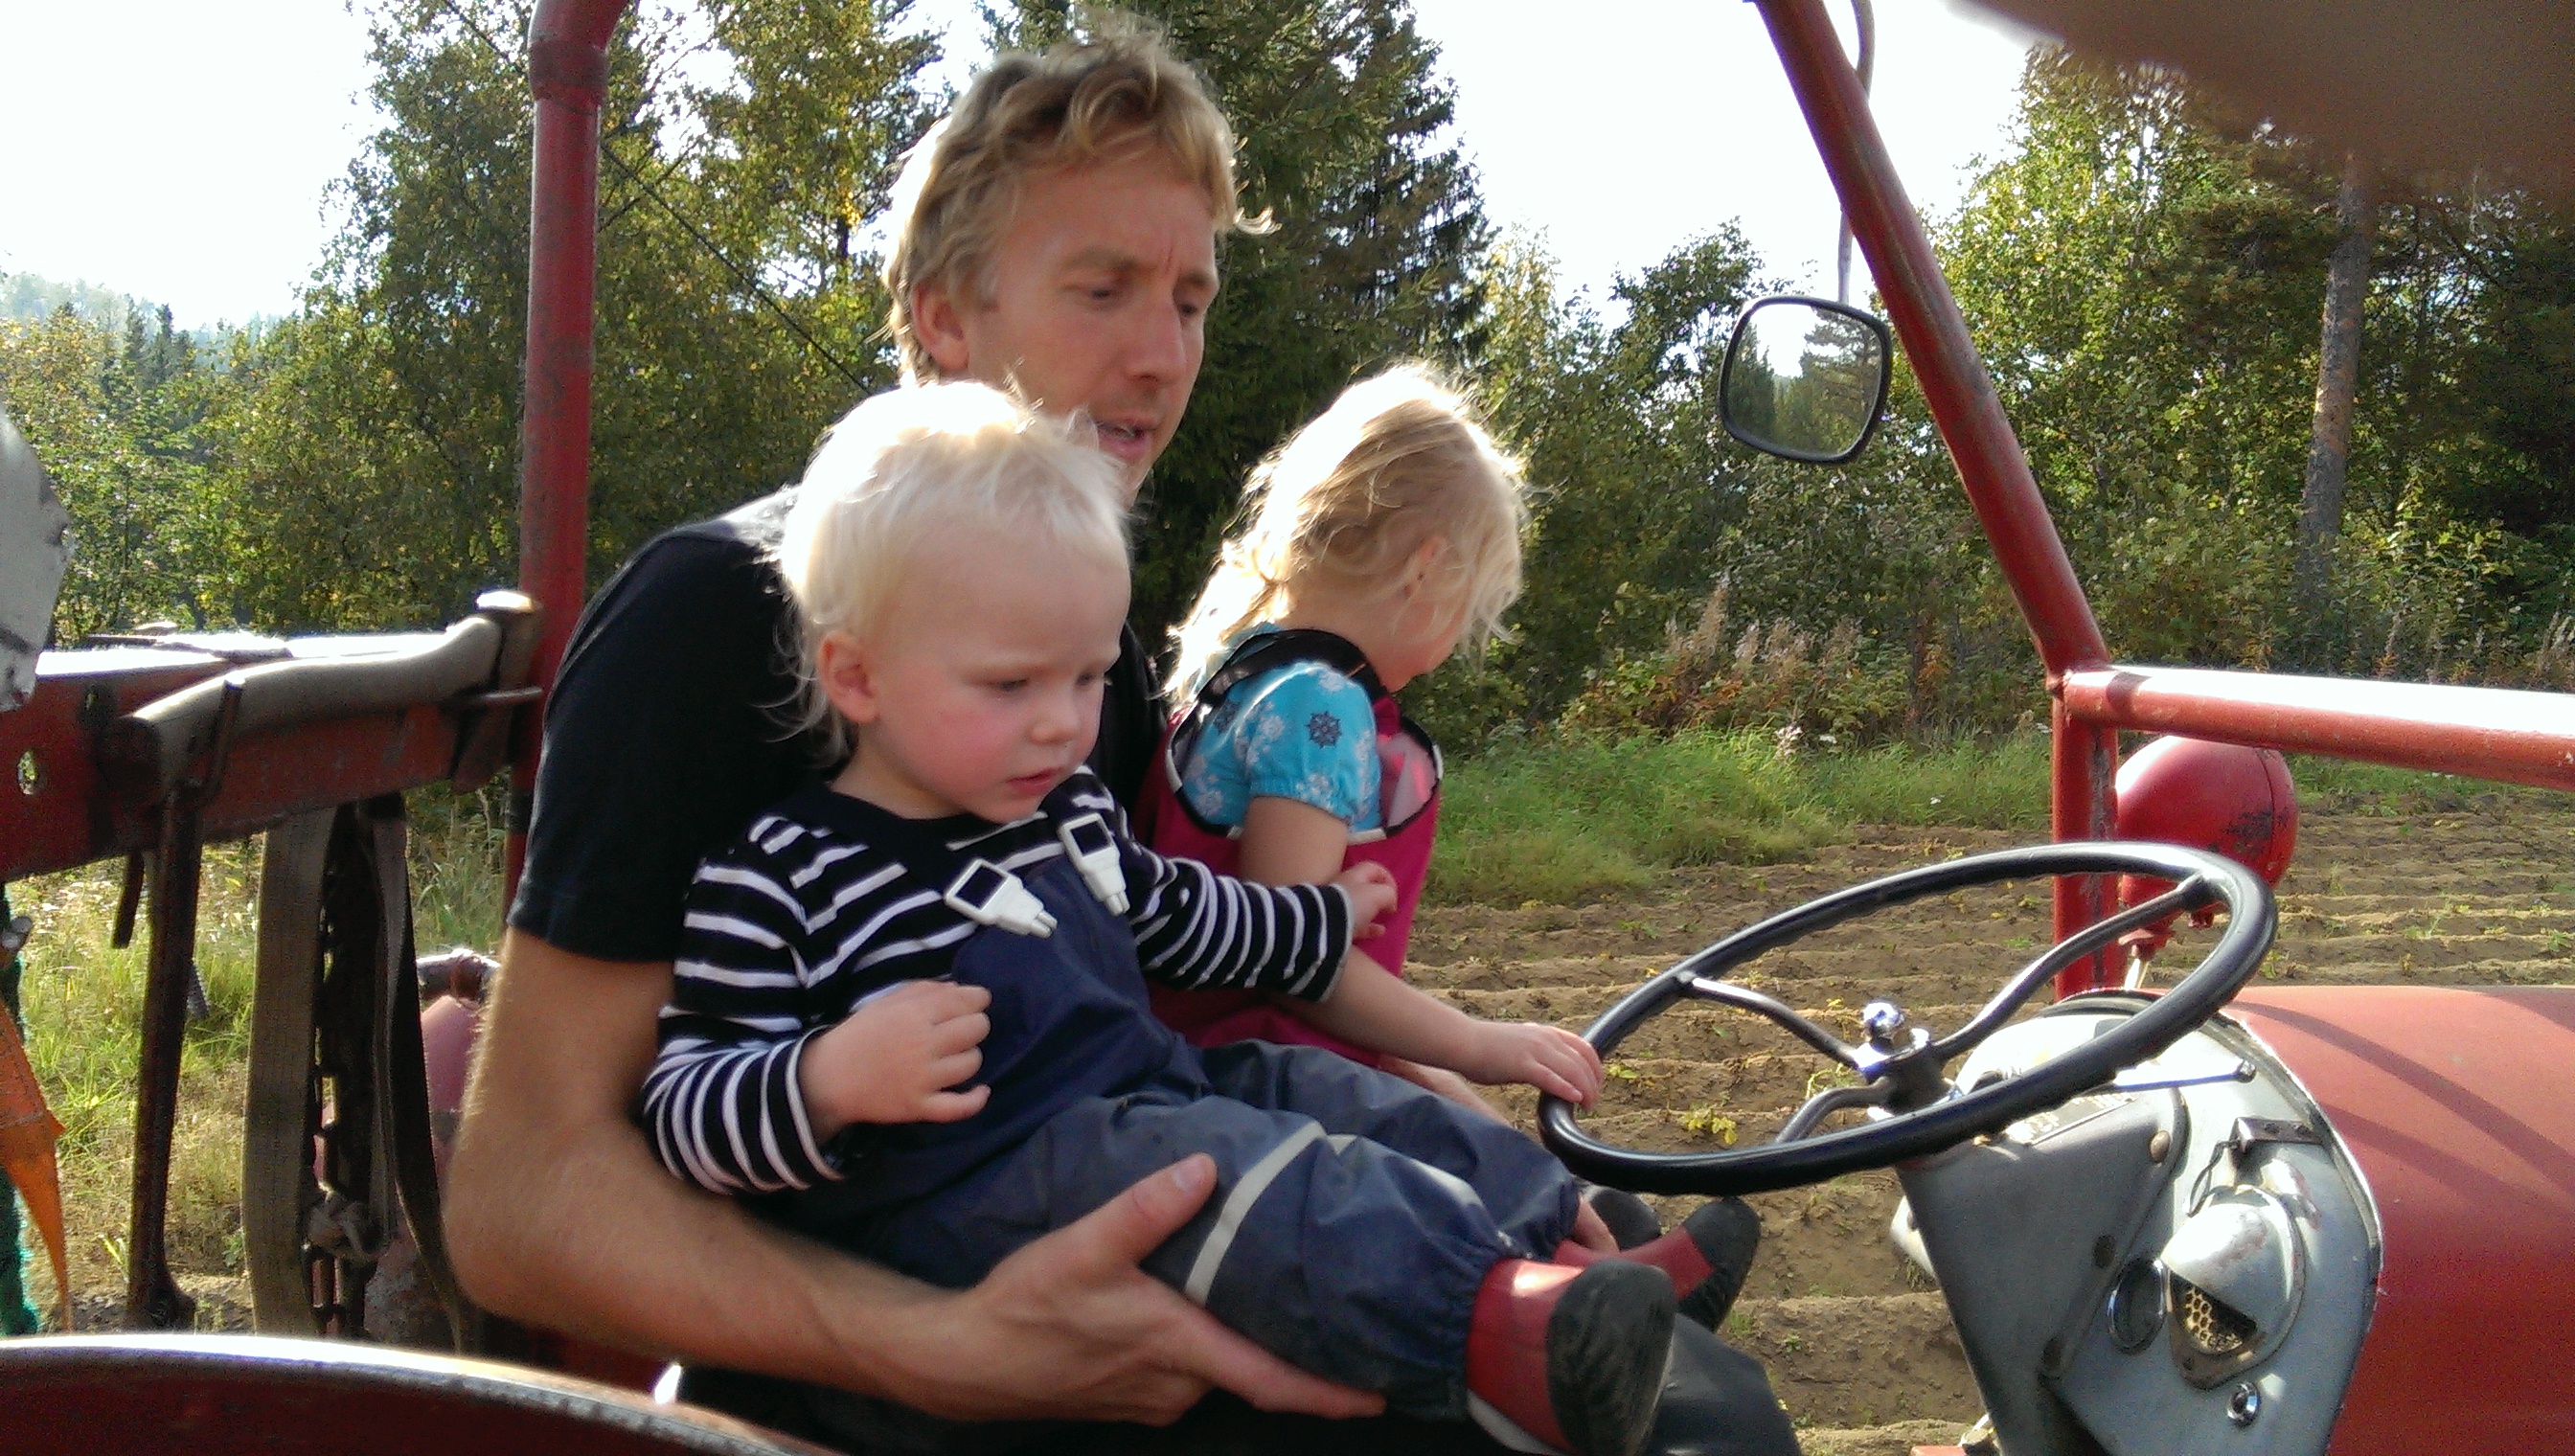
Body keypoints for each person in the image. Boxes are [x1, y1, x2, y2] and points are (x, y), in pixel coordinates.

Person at [446, 24, 1799, 1456]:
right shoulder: (723, 616)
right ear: (943, 318)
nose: (1162, 357)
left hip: (1139, 1211)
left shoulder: (1095, 666)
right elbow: (519, 1200)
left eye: (1191, 300)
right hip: (887, 1364)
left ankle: (1549, 1274)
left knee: (1692, 1410)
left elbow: (1149, 962)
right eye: (1101, 290)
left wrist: (1413, 1095)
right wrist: (944, 1349)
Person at [642, 382, 1741, 1456]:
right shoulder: (783, 872)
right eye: (1013, 684)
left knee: (1331, 1093)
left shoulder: (1062, 811)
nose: (1063, 725)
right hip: (970, 1201)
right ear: (857, 676)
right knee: (1245, 1174)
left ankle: (1578, 1258)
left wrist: (1314, 918)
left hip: (1146, 1094)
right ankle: (1494, 1333)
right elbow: (682, 1108)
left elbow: (1181, 913)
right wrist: (826, 1078)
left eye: (1086, 677)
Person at [1138, 367, 1757, 1314]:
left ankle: (1604, 1248)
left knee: (1472, 1133)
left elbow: (1337, 1011)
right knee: (1445, 1154)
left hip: (1263, 1051)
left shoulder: (1248, 671)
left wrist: (1500, 1115)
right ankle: (1579, 1307)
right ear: (1425, 567)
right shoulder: (1320, 709)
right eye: (1472, 609)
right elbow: (1295, 970)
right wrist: (1479, 1042)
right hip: (1248, 1070)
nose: (1462, 635)